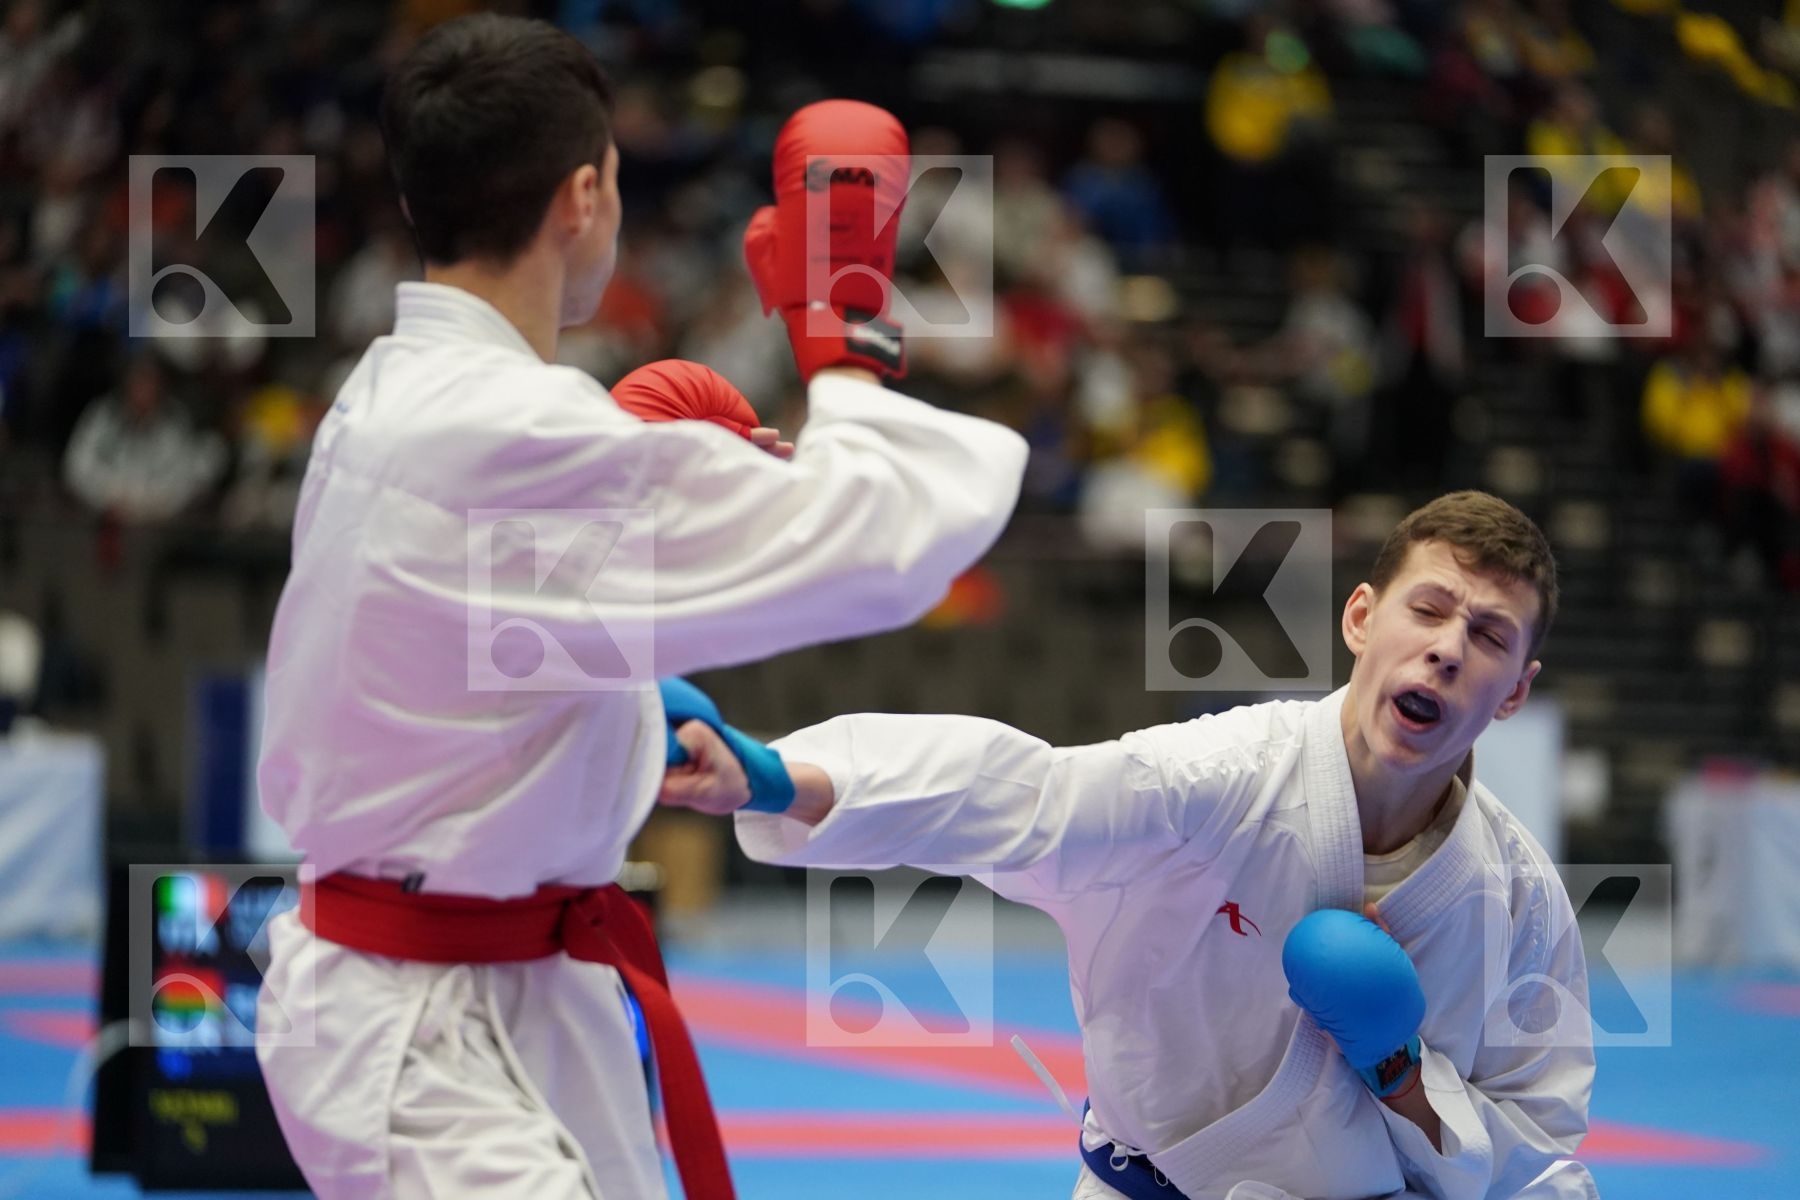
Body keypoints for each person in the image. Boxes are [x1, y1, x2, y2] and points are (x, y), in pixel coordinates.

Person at [252, 13, 1027, 1200]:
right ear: (582, 198)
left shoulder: (404, 390)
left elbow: (476, 631)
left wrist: (605, 700)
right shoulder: (509, 436)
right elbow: (889, 545)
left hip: (511, 979)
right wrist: (845, 327)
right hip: (418, 1019)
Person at [663, 490, 1597, 1200]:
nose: (1446, 650)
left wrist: (1404, 1080)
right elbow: (1025, 797)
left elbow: (1543, 1152)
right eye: (1428, 611)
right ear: (1361, 618)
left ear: (1514, 690)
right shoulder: (1226, 775)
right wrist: (787, 780)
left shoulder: (1516, 896)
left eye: (1487, 636)